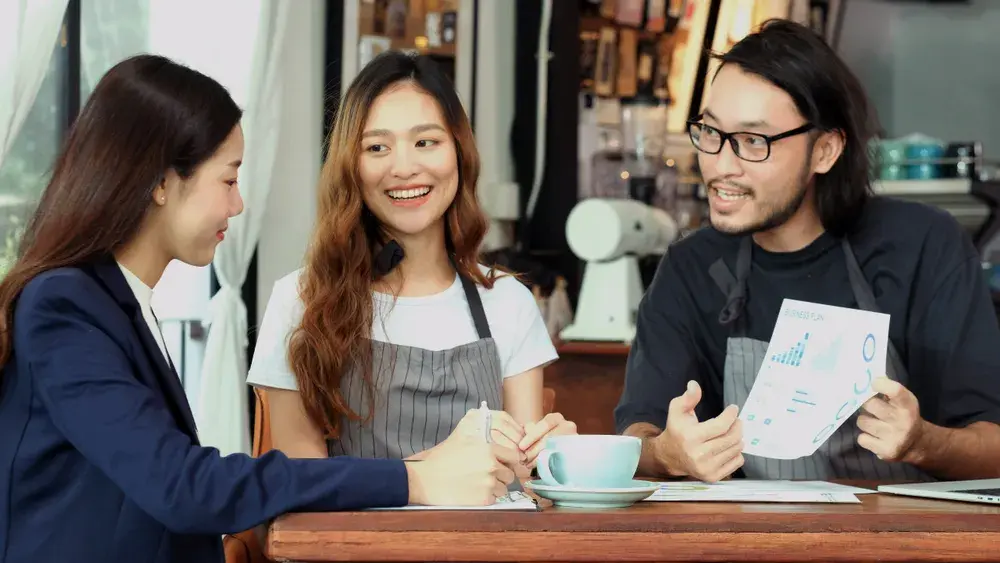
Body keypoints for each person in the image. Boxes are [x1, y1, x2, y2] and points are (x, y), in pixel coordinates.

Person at [0, 54, 520, 563]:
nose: (238, 204)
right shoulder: (65, 306)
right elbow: (183, 486)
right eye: (228, 180)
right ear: (160, 182)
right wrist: (415, 478)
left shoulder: (116, 302)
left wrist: (420, 467)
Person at [615, 19, 1000, 483]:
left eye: (753, 141)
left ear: (825, 151)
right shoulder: (691, 267)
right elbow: (635, 439)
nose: (720, 164)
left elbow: (993, 445)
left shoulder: (922, 247)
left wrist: (923, 441)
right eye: (711, 132)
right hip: (748, 547)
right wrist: (667, 453)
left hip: (901, 547)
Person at [245, 51, 575, 470]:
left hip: (486, 536)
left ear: (458, 152)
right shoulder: (302, 299)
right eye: (377, 147)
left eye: (426, 142)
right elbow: (300, 485)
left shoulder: (508, 302)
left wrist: (553, 459)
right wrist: (430, 471)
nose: (404, 167)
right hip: (347, 538)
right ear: (351, 166)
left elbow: (525, 485)